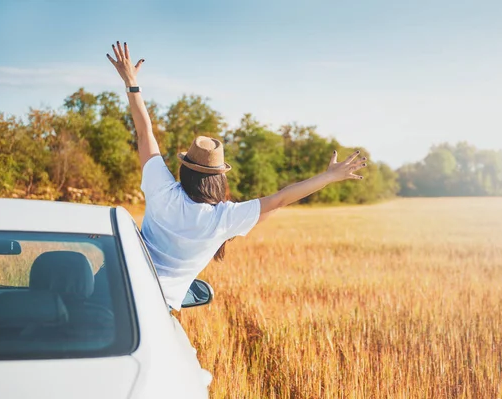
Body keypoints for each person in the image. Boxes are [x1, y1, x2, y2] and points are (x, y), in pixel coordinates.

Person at [107, 42, 368, 310]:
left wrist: (131, 82)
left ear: (184, 168)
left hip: (117, 285)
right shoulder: (223, 218)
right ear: (219, 178)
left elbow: (144, 133)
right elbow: (280, 200)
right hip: (154, 307)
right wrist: (328, 177)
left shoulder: (161, 189)